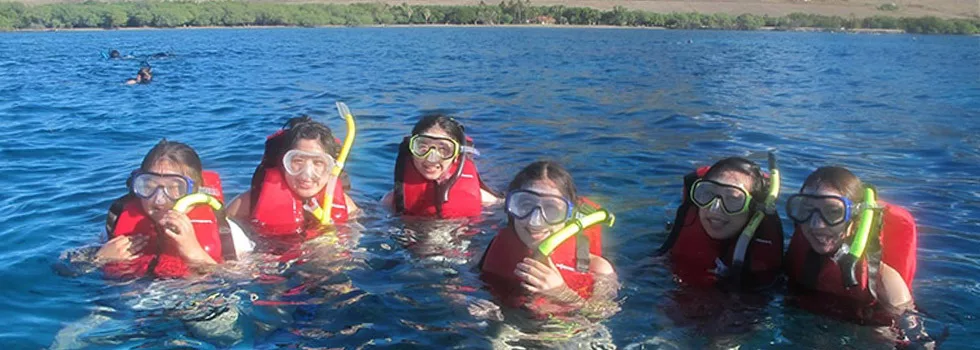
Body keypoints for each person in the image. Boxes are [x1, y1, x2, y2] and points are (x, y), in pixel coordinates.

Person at [784, 166, 933, 346]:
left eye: (833, 212)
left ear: (856, 219)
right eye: (806, 209)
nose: (817, 224)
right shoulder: (796, 260)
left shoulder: (885, 282)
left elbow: (920, 341)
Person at [478, 161, 618, 319]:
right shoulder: (496, 250)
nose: (535, 221)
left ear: (568, 215)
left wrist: (562, 293)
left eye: (551, 209)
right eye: (524, 205)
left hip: (569, 337)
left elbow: (602, 316)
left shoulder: (599, 269)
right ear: (510, 208)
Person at [96, 139, 237, 279]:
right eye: (149, 186)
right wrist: (99, 259)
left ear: (195, 191)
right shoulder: (116, 224)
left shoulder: (225, 230)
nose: (159, 200)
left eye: (174, 188)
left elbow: (240, 280)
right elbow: (78, 268)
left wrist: (194, 253)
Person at [227, 116, 359, 249]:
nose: (307, 174)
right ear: (283, 163)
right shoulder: (247, 204)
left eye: (318, 162)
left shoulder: (347, 207)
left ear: (331, 168)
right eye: (298, 161)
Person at [657, 157, 783, 289]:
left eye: (733, 198)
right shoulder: (687, 218)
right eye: (708, 193)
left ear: (754, 207)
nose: (714, 209)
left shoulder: (763, 255)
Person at [382, 114, 500, 219]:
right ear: (411, 151)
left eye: (443, 149)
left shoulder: (484, 199)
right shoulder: (392, 201)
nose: (431, 158)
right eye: (422, 147)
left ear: (456, 156)